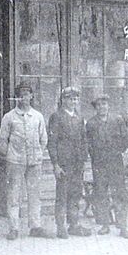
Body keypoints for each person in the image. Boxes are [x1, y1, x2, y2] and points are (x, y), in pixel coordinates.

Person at [0, 82, 50, 240]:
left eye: (27, 94)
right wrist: (11, 156)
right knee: (14, 195)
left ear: (31, 96)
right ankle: (14, 228)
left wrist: (37, 154)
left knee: (34, 194)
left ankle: (35, 226)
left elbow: (43, 139)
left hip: (34, 162)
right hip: (15, 162)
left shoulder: (37, 116)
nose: (24, 97)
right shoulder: (9, 117)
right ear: (16, 97)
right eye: (20, 94)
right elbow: (2, 141)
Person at [86, 94, 128, 239]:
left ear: (108, 106)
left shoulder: (117, 120)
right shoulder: (91, 123)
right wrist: (95, 156)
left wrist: (119, 150)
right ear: (95, 108)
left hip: (115, 161)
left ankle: (123, 226)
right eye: (99, 105)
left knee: (119, 193)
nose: (102, 107)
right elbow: (88, 143)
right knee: (101, 193)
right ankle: (105, 224)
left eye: (104, 104)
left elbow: (126, 137)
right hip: (99, 163)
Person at [48, 87, 92, 239]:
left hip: (77, 164)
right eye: (70, 99)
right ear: (63, 100)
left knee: (75, 194)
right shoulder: (56, 117)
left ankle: (74, 225)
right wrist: (55, 164)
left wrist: (84, 159)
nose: (74, 102)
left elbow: (84, 140)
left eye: (76, 99)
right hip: (63, 164)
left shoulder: (79, 118)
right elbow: (52, 142)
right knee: (62, 195)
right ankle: (61, 227)